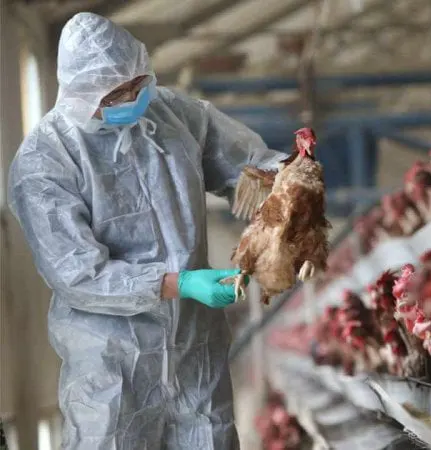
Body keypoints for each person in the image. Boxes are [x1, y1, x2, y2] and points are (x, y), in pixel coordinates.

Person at [8, 12, 284, 449]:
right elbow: (77, 273)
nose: (133, 98)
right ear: (81, 94)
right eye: (116, 93)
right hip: (111, 362)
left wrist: (288, 180)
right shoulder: (45, 162)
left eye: (138, 83)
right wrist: (180, 283)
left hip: (194, 348)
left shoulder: (172, 113)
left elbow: (249, 164)